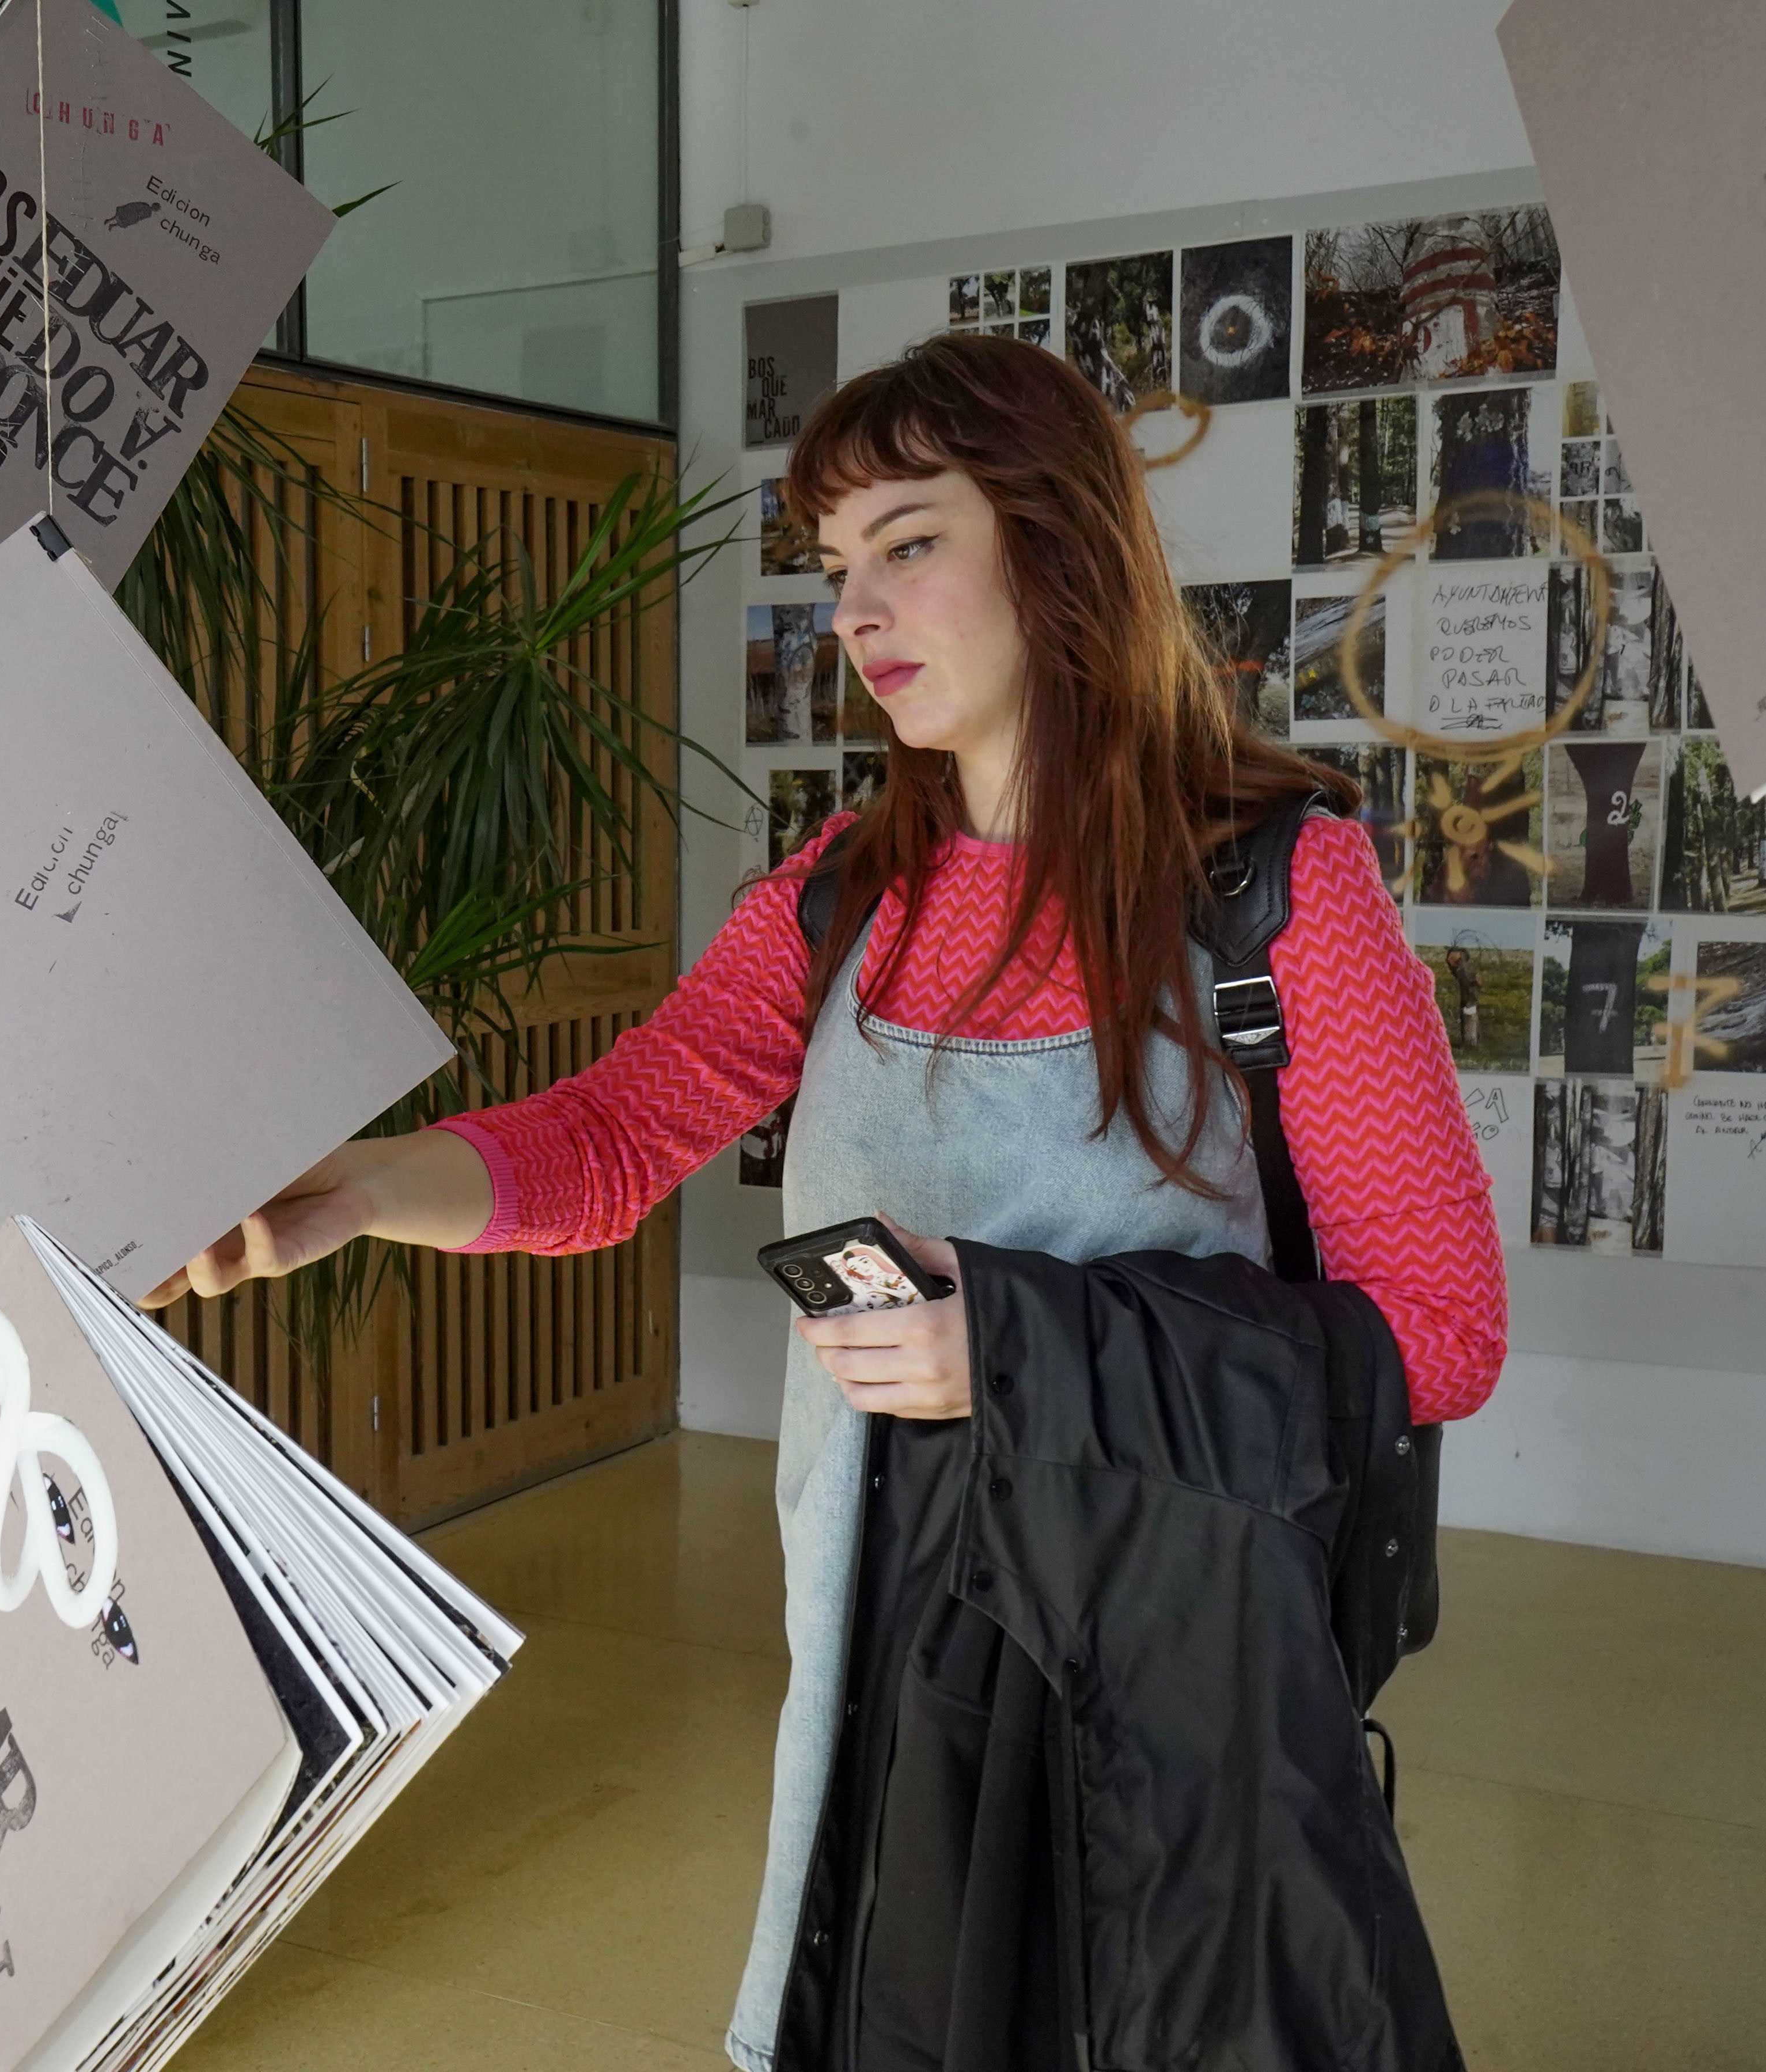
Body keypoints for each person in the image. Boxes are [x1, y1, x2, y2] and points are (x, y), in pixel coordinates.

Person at [147, 335, 1505, 2070]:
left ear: (1056, 540)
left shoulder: (1271, 890)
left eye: (908, 542)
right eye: (832, 566)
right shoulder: (839, 898)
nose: (855, 610)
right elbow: (617, 1130)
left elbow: (1439, 1337)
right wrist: (354, 1193)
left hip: (1163, 1693)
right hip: (874, 1653)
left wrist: (1014, 1346)